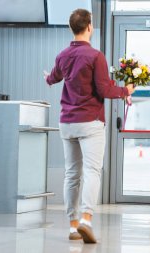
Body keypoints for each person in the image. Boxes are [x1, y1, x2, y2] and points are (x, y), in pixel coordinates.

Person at [44, 9, 134, 243]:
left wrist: (47, 78)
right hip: (90, 122)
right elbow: (104, 89)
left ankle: (73, 227)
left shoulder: (63, 55)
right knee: (92, 172)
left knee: (71, 174)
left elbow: (53, 77)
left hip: (67, 123)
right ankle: (86, 220)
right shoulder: (95, 56)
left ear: (71, 28)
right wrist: (125, 91)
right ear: (89, 27)